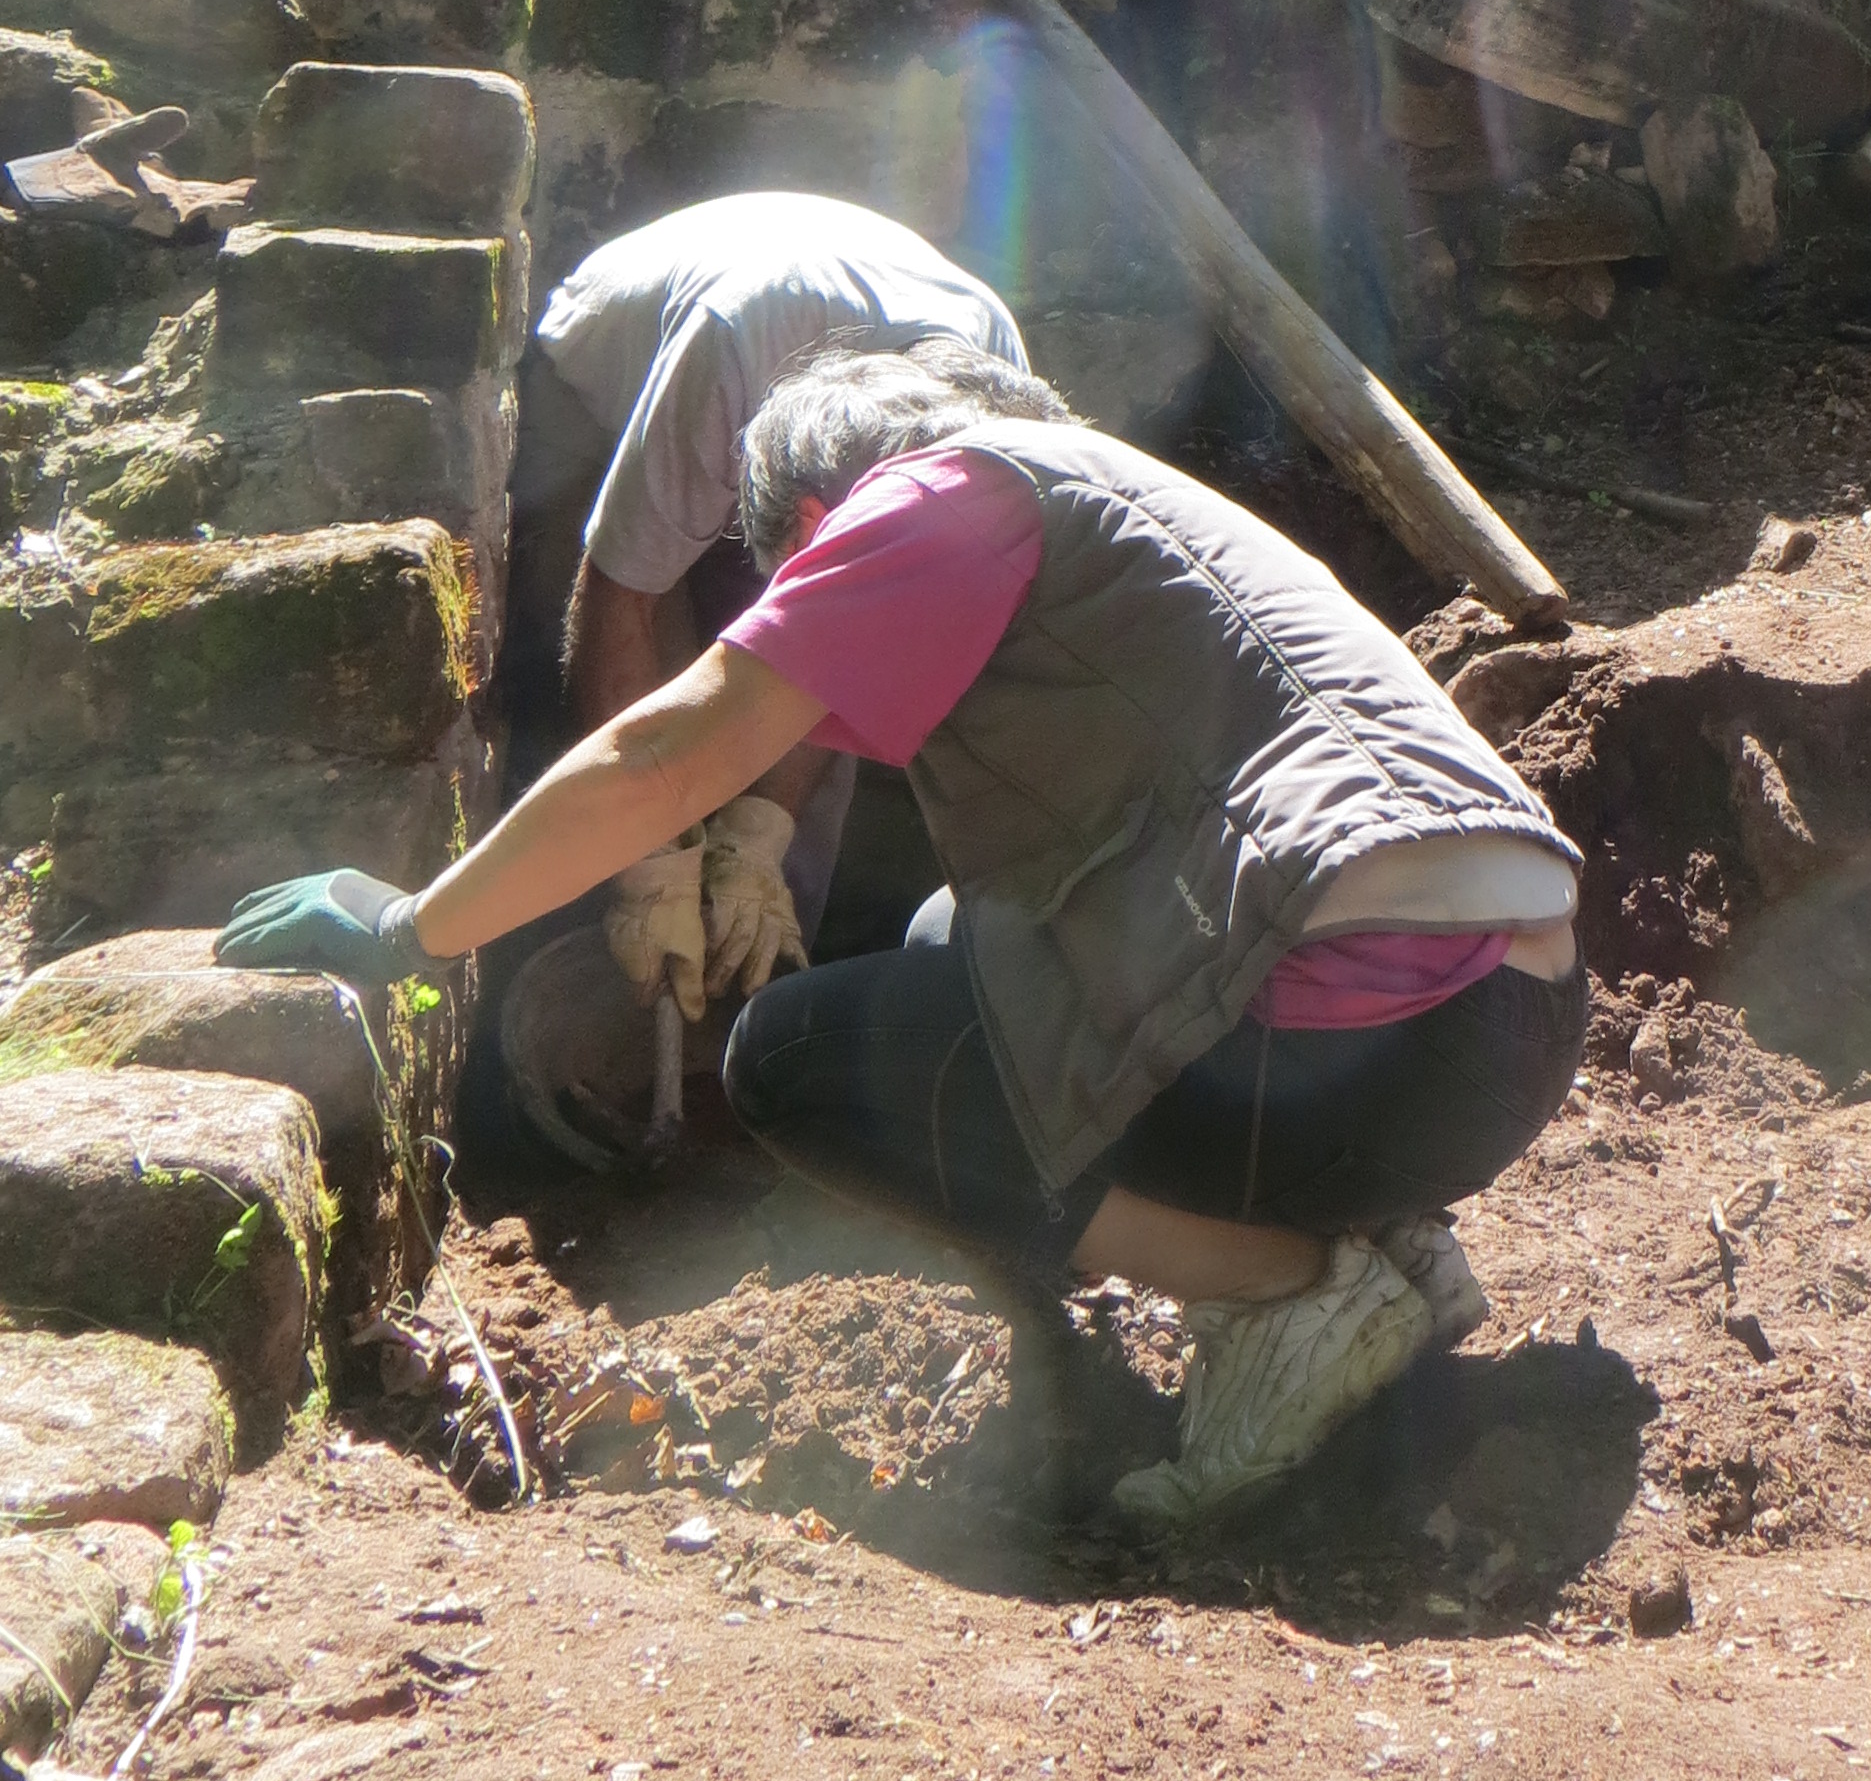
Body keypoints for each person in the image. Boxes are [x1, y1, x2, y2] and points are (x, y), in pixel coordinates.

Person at [218, 346, 1587, 1527]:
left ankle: (1291, 1292)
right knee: (947, 938)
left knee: (797, 1062)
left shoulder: (931, 501)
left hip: (1381, 1046)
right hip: (1503, 1031)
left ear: (817, 526)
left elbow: (664, 752)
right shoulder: (1098, 497)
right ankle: (1384, 1239)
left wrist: (415, 923)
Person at [523, 194, 1028, 1003]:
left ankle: (754, 993)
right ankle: (598, 955)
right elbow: (622, 595)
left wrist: (758, 839)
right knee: (630, 715)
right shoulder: (731, 349)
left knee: (783, 796)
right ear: (807, 510)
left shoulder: (993, 404)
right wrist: (647, 864)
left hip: (797, 400)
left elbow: (848, 646)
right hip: (603, 389)